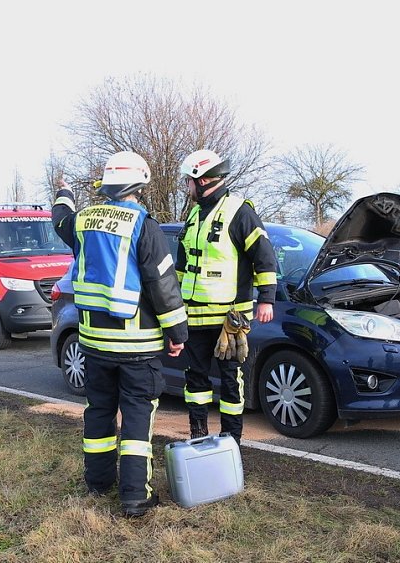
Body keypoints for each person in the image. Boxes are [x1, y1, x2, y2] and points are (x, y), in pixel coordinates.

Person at [52, 151, 188, 517]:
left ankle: (98, 483)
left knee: (98, 412)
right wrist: (178, 332)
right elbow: (163, 285)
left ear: (108, 184)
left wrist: (63, 193)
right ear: (139, 185)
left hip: (93, 343)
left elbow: (60, 220)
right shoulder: (144, 225)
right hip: (138, 346)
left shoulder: (83, 220)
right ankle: (134, 497)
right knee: (137, 419)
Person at [177, 150, 278, 445]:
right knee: (195, 380)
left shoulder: (240, 211)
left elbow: (265, 256)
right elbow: (184, 265)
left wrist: (267, 299)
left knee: (231, 381)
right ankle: (198, 436)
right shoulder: (194, 214)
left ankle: (231, 441)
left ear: (204, 180)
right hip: (193, 315)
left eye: (189, 181)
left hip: (229, 319)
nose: (188, 187)